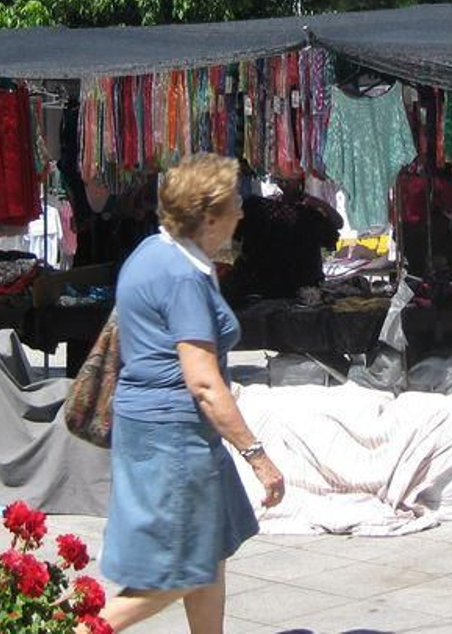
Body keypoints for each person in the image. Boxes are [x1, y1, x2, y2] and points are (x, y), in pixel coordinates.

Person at [99, 154, 284, 634]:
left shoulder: (154, 252)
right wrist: (257, 456)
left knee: (208, 552)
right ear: (209, 218)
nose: (242, 212)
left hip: (161, 431)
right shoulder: (182, 277)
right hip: (173, 438)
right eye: (234, 204)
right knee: (180, 570)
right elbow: (203, 382)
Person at [221, 173, 342, 304]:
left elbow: (235, 236)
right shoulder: (311, 215)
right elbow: (335, 230)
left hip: (257, 284)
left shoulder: (254, 206)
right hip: (297, 287)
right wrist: (320, 205)